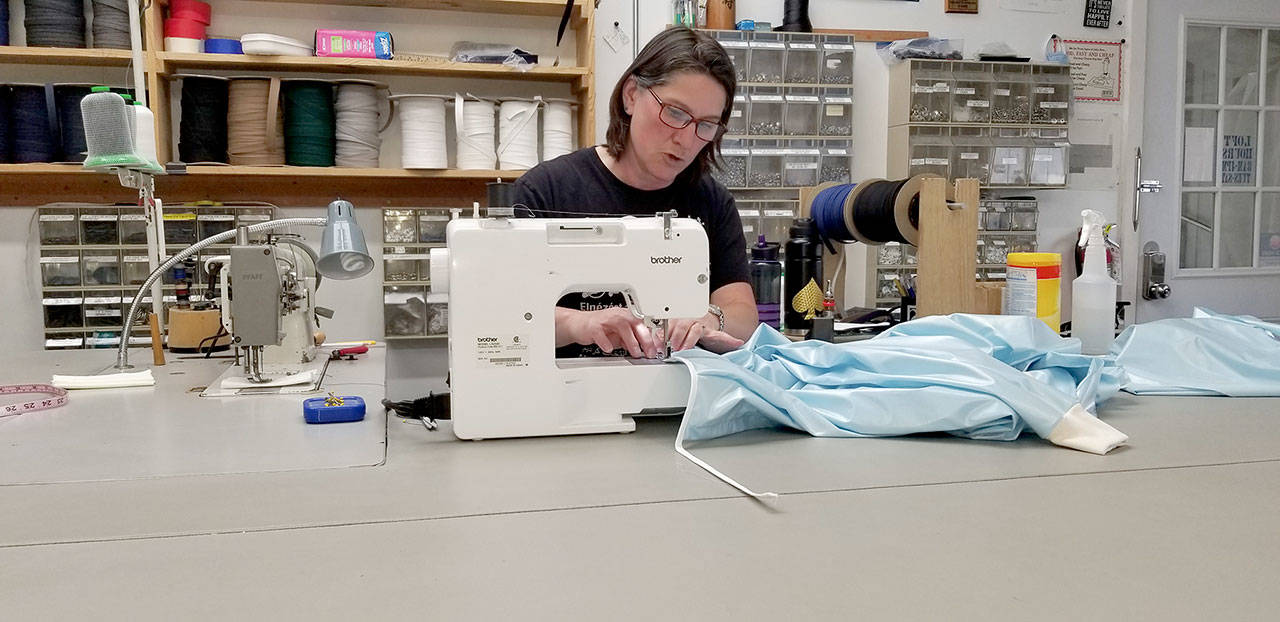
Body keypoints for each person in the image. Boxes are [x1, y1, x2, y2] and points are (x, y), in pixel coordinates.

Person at [512, 27, 756, 359]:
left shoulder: (712, 202)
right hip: (567, 398)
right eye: (675, 113)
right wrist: (579, 324)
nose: (687, 140)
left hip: (678, 400)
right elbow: (503, 313)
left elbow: (743, 313)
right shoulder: (545, 192)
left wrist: (710, 317)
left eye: (706, 124)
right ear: (631, 95)